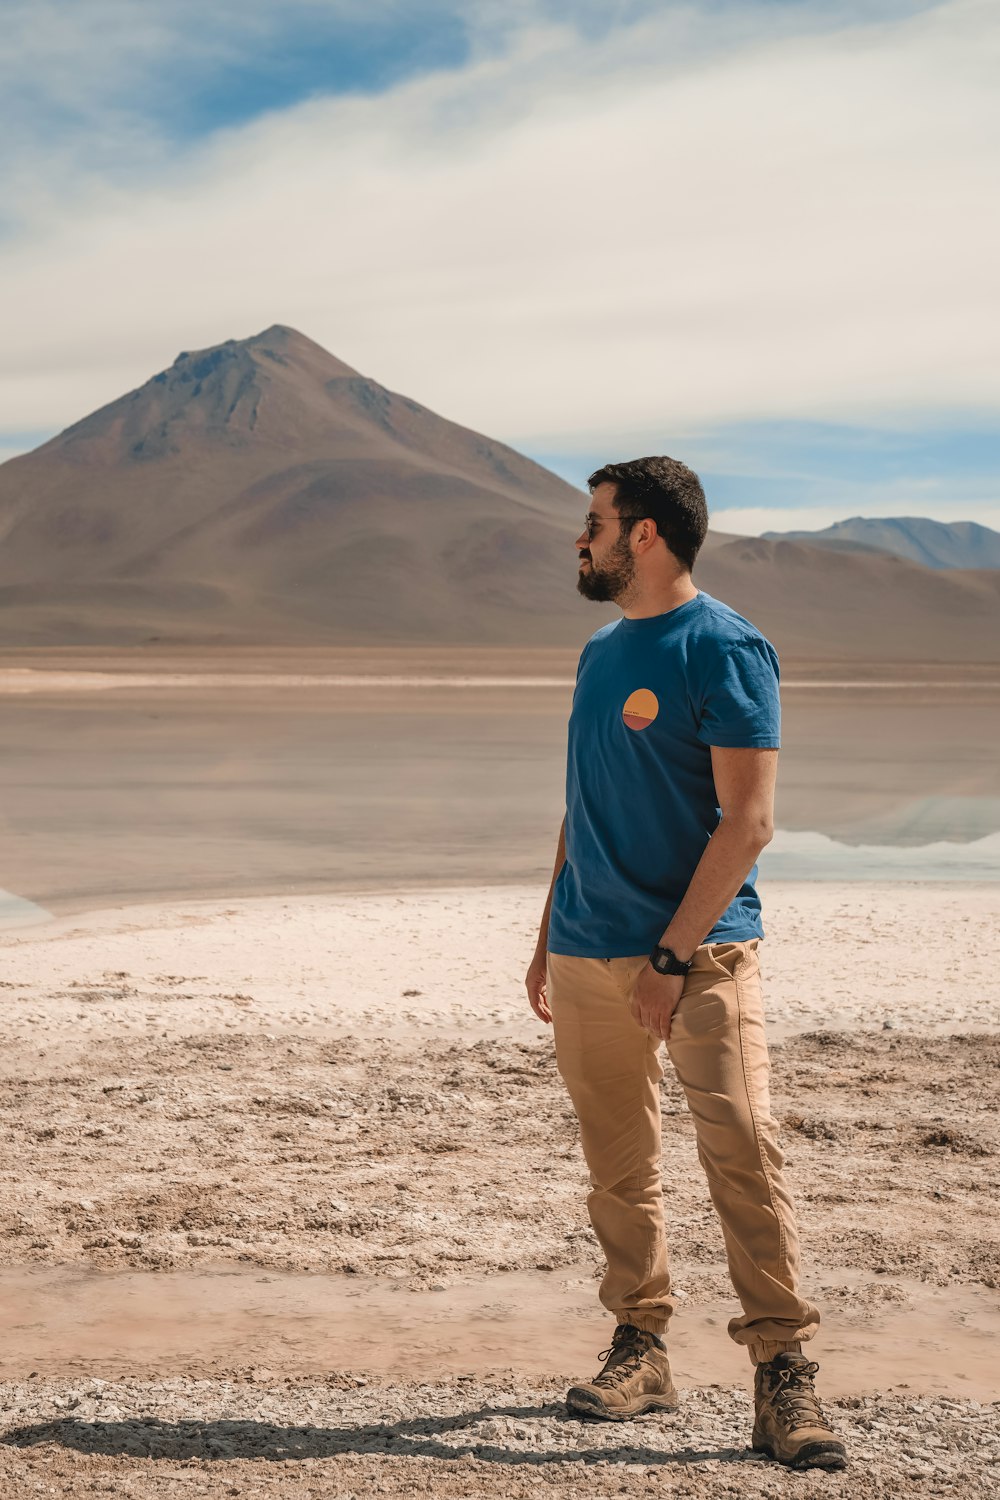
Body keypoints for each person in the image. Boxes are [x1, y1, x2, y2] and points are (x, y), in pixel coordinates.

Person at [524, 456, 846, 1471]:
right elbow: (582, 807)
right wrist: (545, 933)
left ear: (646, 535)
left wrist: (669, 955)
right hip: (585, 951)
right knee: (618, 1172)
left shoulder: (726, 647)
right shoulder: (597, 653)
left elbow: (748, 823)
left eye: (595, 520)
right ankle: (641, 1346)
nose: (581, 537)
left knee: (742, 1148)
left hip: (701, 956)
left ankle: (782, 1373)